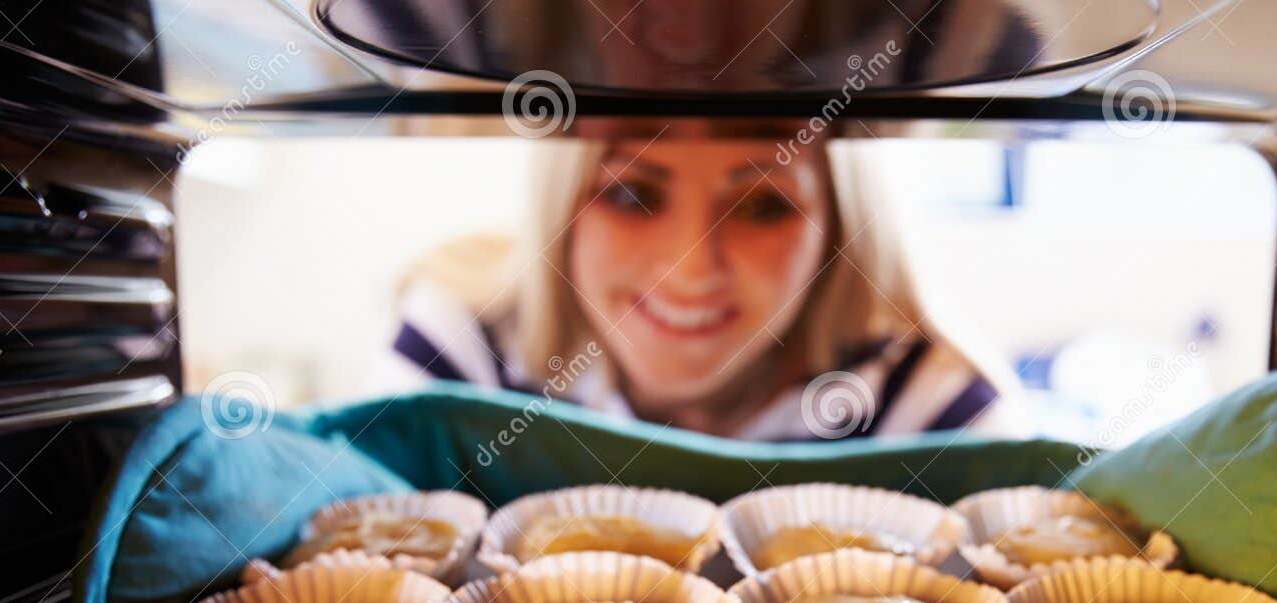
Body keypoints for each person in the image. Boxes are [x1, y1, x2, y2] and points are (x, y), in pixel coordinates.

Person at [384, 135, 1021, 440]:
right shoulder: (459, 353)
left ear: (839, 225)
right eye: (632, 194)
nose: (690, 272)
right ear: (561, 201)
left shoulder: (933, 412)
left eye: (763, 205)